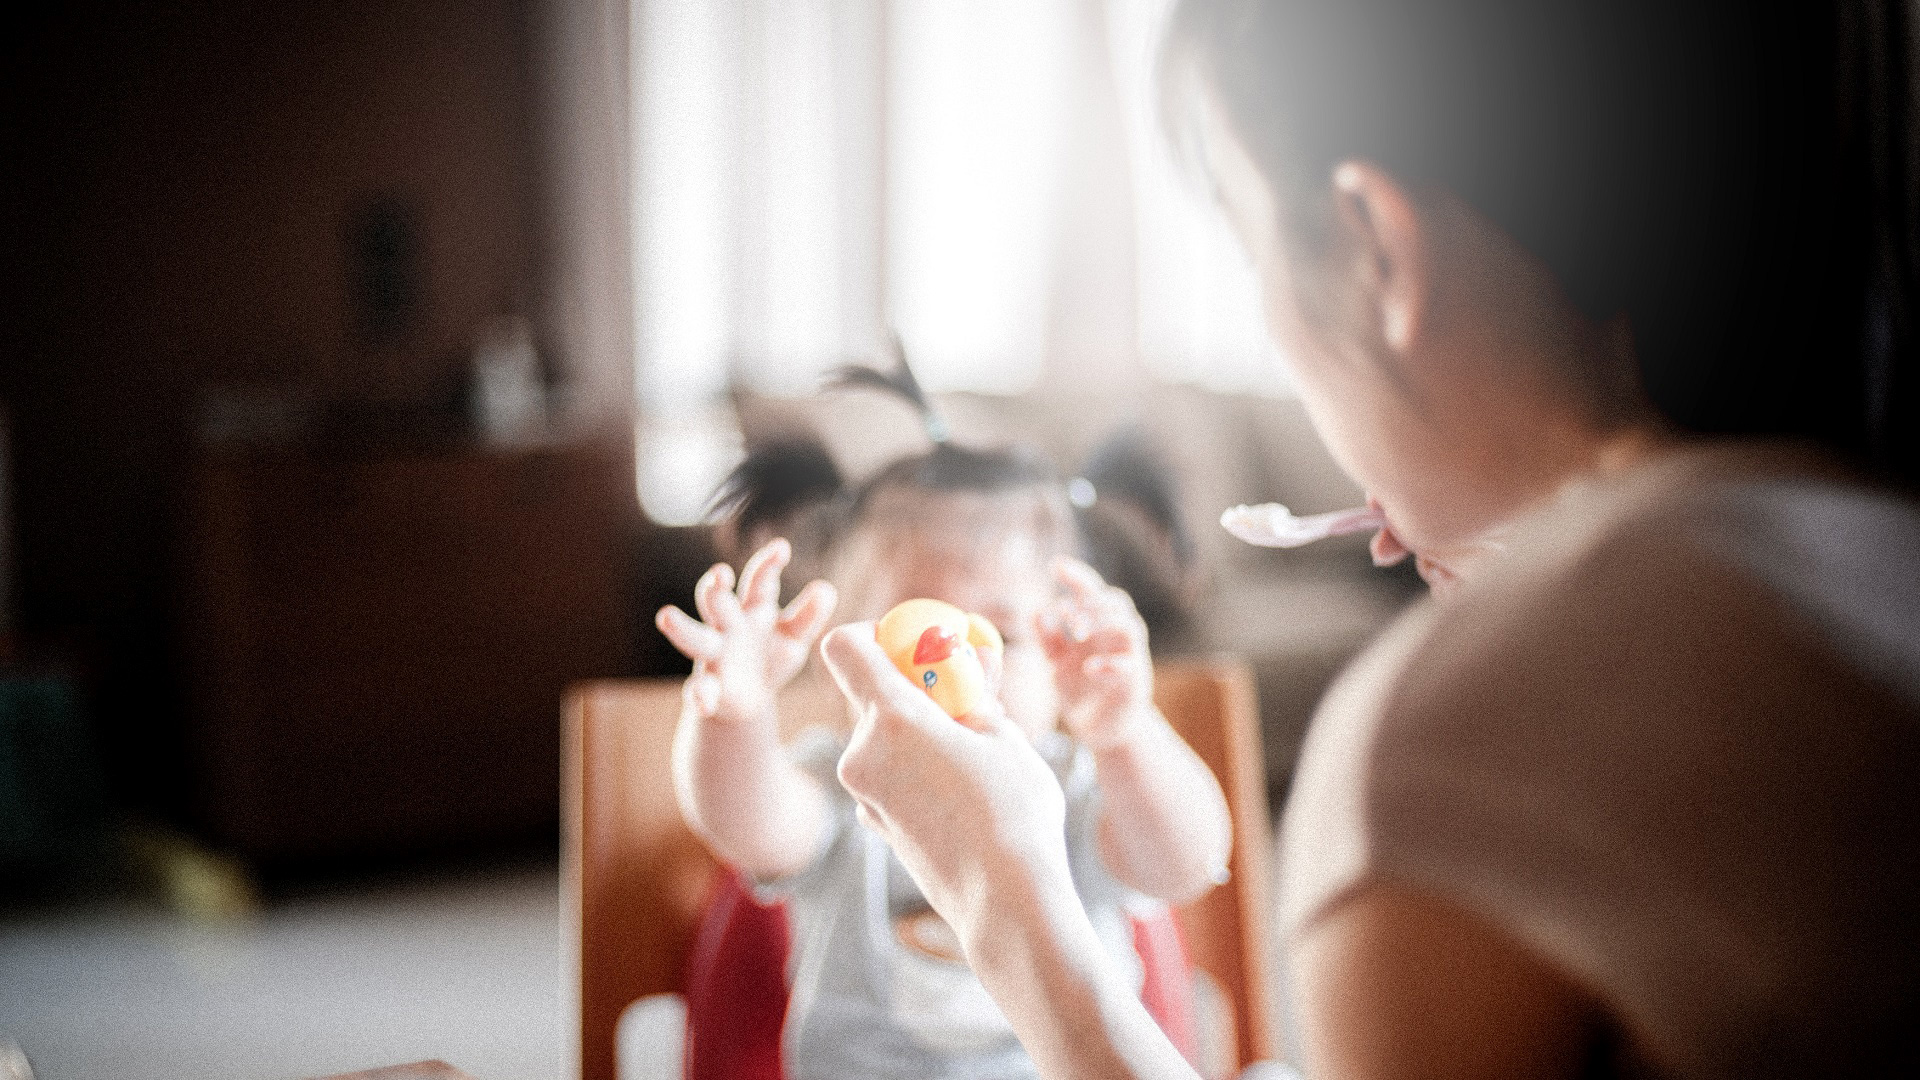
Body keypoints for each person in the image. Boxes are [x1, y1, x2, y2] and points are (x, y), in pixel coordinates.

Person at [815, 1, 1920, 1078]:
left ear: (1376, 246)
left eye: (1251, 250)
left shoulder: (1436, 745)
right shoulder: (1880, 547)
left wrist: (1010, 905)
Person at [654, 368, 1233, 1080]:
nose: (954, 670)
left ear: (1060, 657)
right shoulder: (846, 785)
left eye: (1003, 636)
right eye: (914, 631)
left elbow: (1185, 863)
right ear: (843, 649)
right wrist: (735, 716)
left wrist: (1125, 730)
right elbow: (742, 820)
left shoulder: (1071, 792)